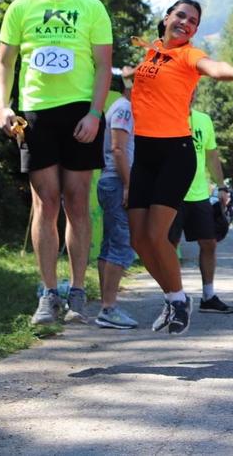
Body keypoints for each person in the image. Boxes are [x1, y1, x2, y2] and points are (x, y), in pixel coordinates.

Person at [0, 0, 112, 326]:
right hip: (35, 113)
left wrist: (95, 113)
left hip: (80, 112)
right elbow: (4, 63)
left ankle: (77, 291)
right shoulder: (21, 8)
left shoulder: (92, 7)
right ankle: (47, 294)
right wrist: (3, 105)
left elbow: (104, 66)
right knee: (46, 202)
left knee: (77, 202)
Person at [129, 0, 233, 336]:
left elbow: (213, 66)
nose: (185, 23)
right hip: (144, 153)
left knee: (157, 236)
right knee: (138, 240)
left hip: (176, 152)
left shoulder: (188, 55)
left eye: (193, 21)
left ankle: (176, 301)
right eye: (180, 16)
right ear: (167, 18)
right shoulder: (152, 51)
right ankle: (176, 297)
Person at [167, 105, 233, 315]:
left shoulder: (204, 120)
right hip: (171, 192)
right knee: (170, 246)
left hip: (199, 195)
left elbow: (212, 156)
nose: (192, 92)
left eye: (194, 88)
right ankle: (172, 297)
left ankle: (208, 296)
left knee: (209, 243)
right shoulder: (166, 115)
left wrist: (222, 186)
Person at [95, 69, 138, 329]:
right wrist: (129, 186)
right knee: (121, 244)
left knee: (110, 244)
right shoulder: (124, 109)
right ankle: (108, 308)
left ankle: (107, 305)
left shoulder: (123, 107)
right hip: (117, 181)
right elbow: (118, 148)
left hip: (113, 181)